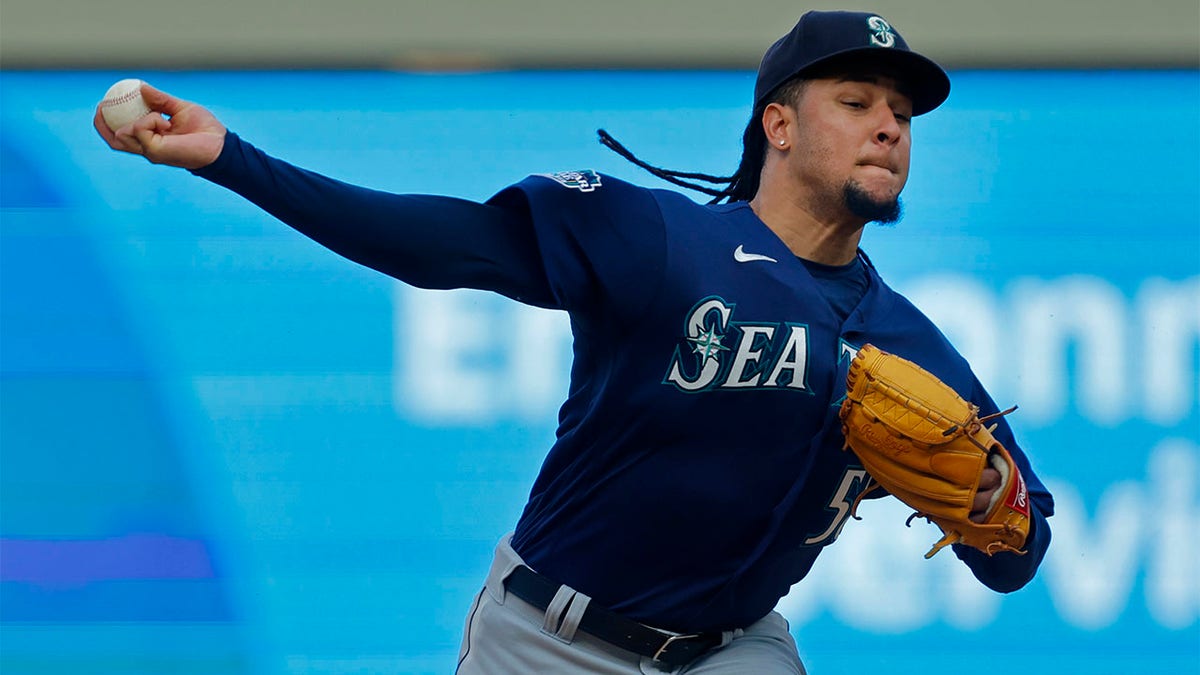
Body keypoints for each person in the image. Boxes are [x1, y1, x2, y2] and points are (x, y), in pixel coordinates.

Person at [96, 10, 1054, 674]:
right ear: (779, 124)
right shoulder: (660, 241)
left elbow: (1021, 544)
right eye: (857, 100)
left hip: (735, 647)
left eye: (902, 112)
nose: (889, 125)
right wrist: (232, 159)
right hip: (550, 639)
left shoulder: (905, 342)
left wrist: (995, 499)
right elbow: (440, 244)